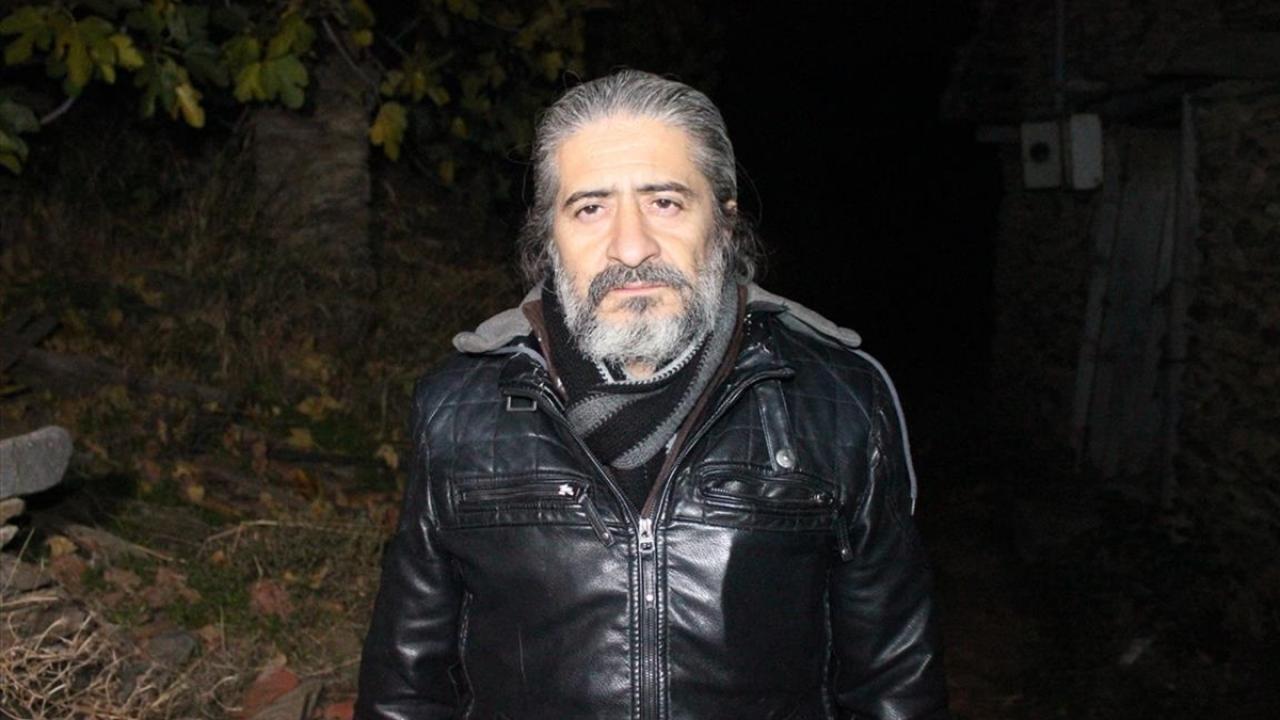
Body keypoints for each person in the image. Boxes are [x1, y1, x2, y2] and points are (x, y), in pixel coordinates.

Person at [355, 69, 950, 720]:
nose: (631, 247)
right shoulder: (459, 407)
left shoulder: (838, 398)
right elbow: (406, 687)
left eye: (665, 202)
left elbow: (894, 683)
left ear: (723, 222)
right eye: (591, 208)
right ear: (549, 236)